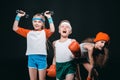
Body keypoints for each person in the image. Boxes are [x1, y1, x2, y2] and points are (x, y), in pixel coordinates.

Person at [12, 10, 55, 80]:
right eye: (35, 21)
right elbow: (15, 28)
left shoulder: (45, 32)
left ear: (42, 24)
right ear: (32, 22)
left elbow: (52, 30)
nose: (36, 23)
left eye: (39, 22)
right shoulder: (28, 32)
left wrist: (49, 17)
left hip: (42, 59)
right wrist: (18, 16)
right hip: (31, 58)